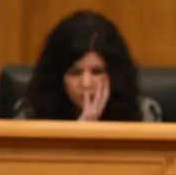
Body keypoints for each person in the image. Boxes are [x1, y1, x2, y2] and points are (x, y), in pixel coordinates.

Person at [14, 10, 161, 122]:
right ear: (58, 76)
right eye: (75, 72)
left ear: (114, 74)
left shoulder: (143, 114)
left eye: (97, 72)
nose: (86, 83)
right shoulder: (30, 115)